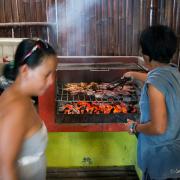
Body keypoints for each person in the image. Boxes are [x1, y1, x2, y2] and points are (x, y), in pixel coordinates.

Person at [124, 25, 180, 180]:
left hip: (160, 159)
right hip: (175, 156)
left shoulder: (154, 84)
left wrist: (134, 127)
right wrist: (134, 74)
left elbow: (158, 127)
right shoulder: (174, 73)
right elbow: (156, 77)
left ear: (146, 57)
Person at [0, 39, 57, 180]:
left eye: (53, 74)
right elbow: (5, 169)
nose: (51, 81)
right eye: (46, 75)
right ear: (25, 70)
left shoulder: (20, 98)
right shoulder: (17, 109)